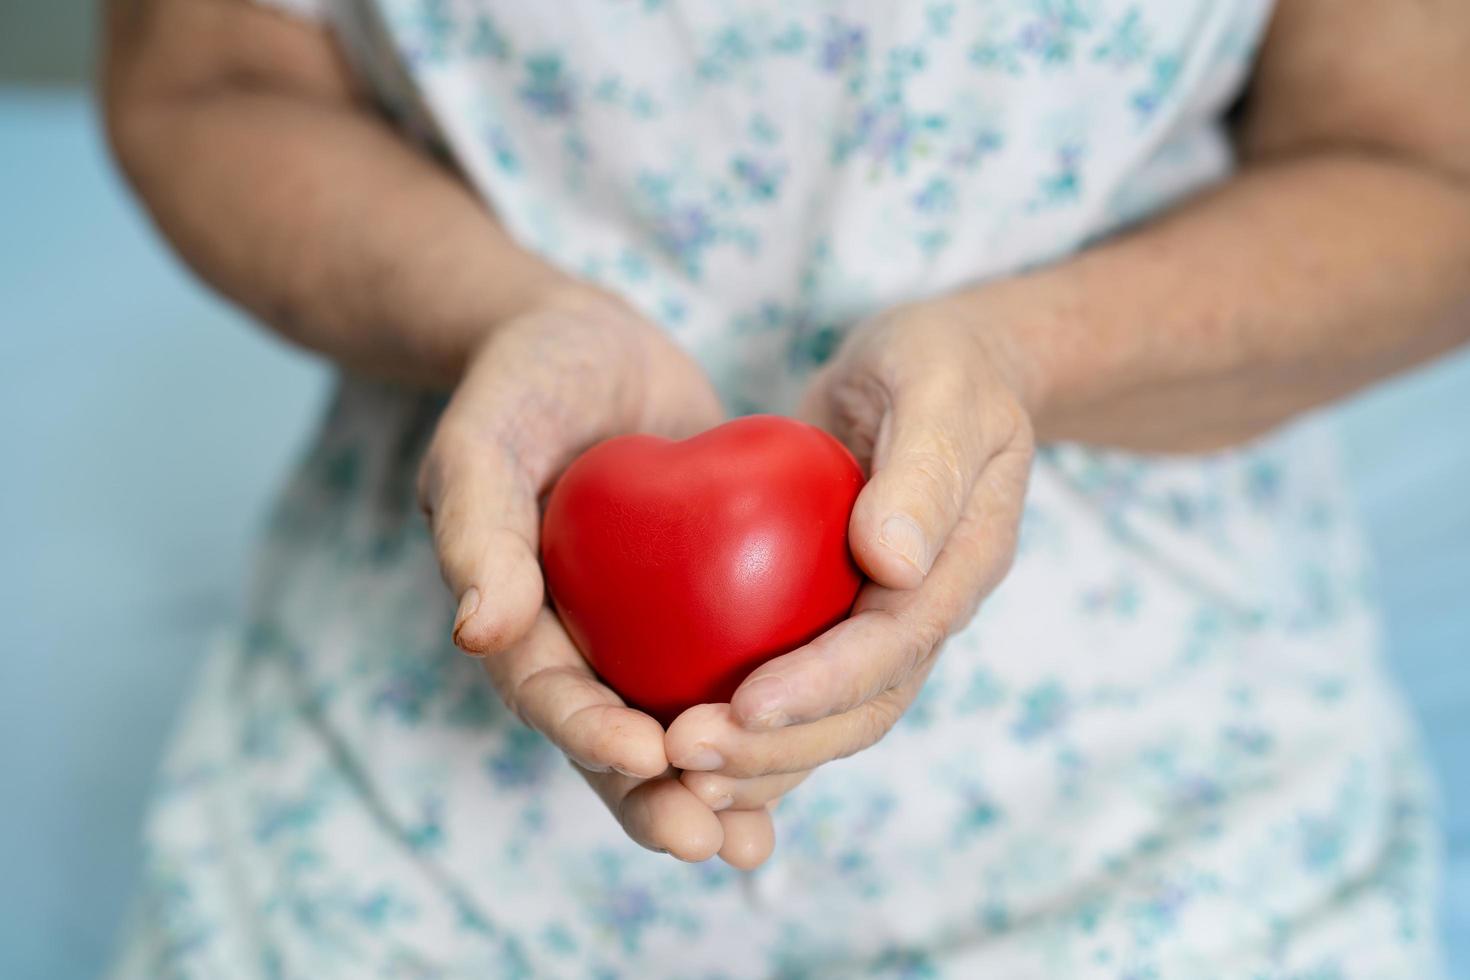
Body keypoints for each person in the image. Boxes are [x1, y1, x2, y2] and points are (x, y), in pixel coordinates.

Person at [103, 0, 1470, 976]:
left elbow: (1429, 169)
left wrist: (1018, 356)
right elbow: (205, 74)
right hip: (410, 806)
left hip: (1165, 813)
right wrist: (496, 314)